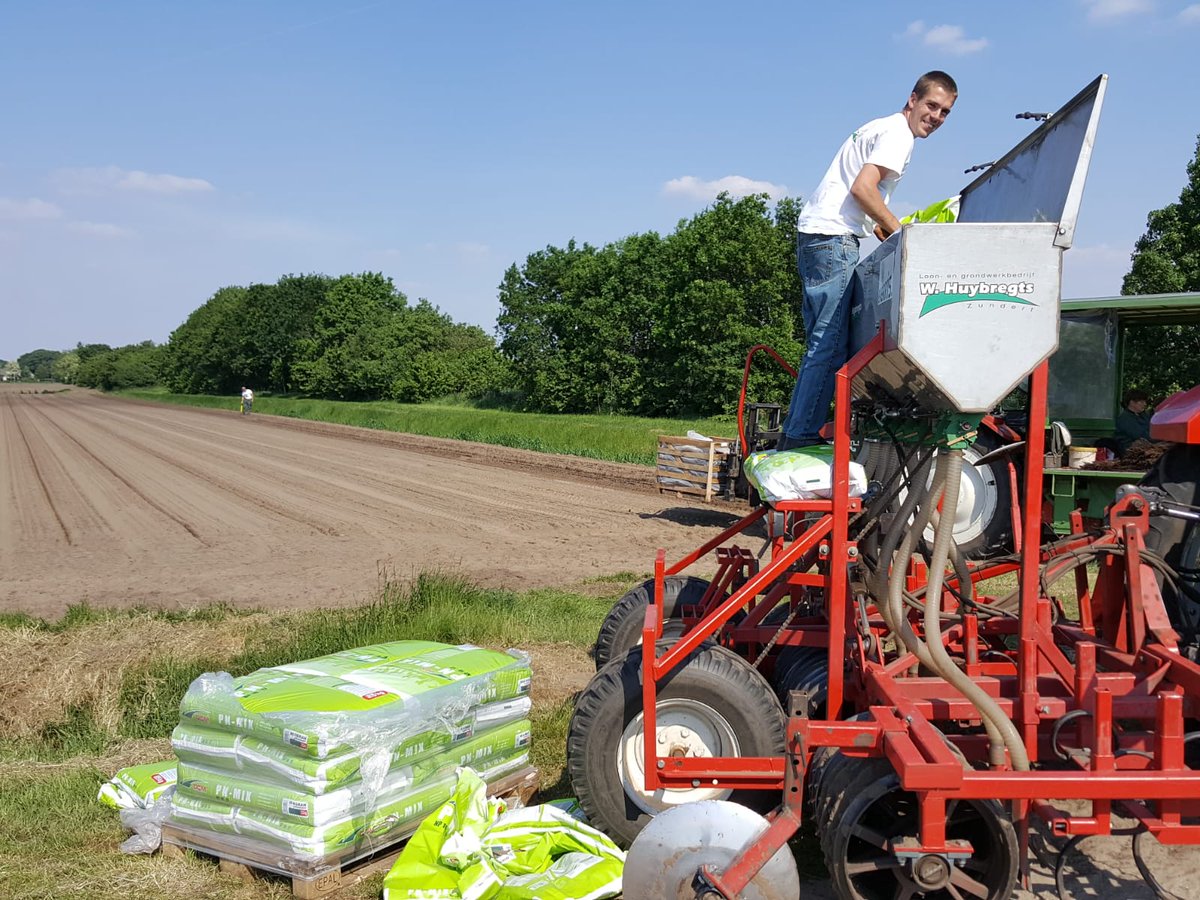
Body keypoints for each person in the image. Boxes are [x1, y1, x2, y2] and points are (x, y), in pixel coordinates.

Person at [776, 71, 958, 452]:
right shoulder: (899, 136)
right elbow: (862, 189)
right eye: (931, 106)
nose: (936, 117)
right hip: (832, 239)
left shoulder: (881, 127)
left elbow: (866, 200)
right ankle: (798, 438)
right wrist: (904, 237)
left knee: (821, 346)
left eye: (945, 112)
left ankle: (795, 432)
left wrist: (886, 225)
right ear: (912, 99)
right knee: (829, 347)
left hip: (817, 236)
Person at [1114, 388, 1151, 454]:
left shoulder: (1144, 415)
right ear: (1132, 402)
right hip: (1131, 452)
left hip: (1147, 448)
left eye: (1145, 401)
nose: (1145, 404)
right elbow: (1140, 435)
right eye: (1142, 402)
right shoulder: (1124, 418)